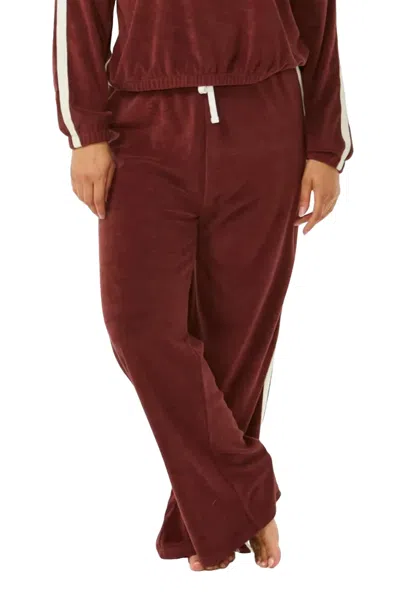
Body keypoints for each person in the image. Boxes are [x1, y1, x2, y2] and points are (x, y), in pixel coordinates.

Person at [52, 0, 353, 572]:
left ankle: (206, 523)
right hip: (143, 125)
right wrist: (83, 131)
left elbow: (319, 13)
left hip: (265, 118)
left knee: (239, 337)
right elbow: (80, 10)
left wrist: (326, 145)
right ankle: (249, 495)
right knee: (138, 326)